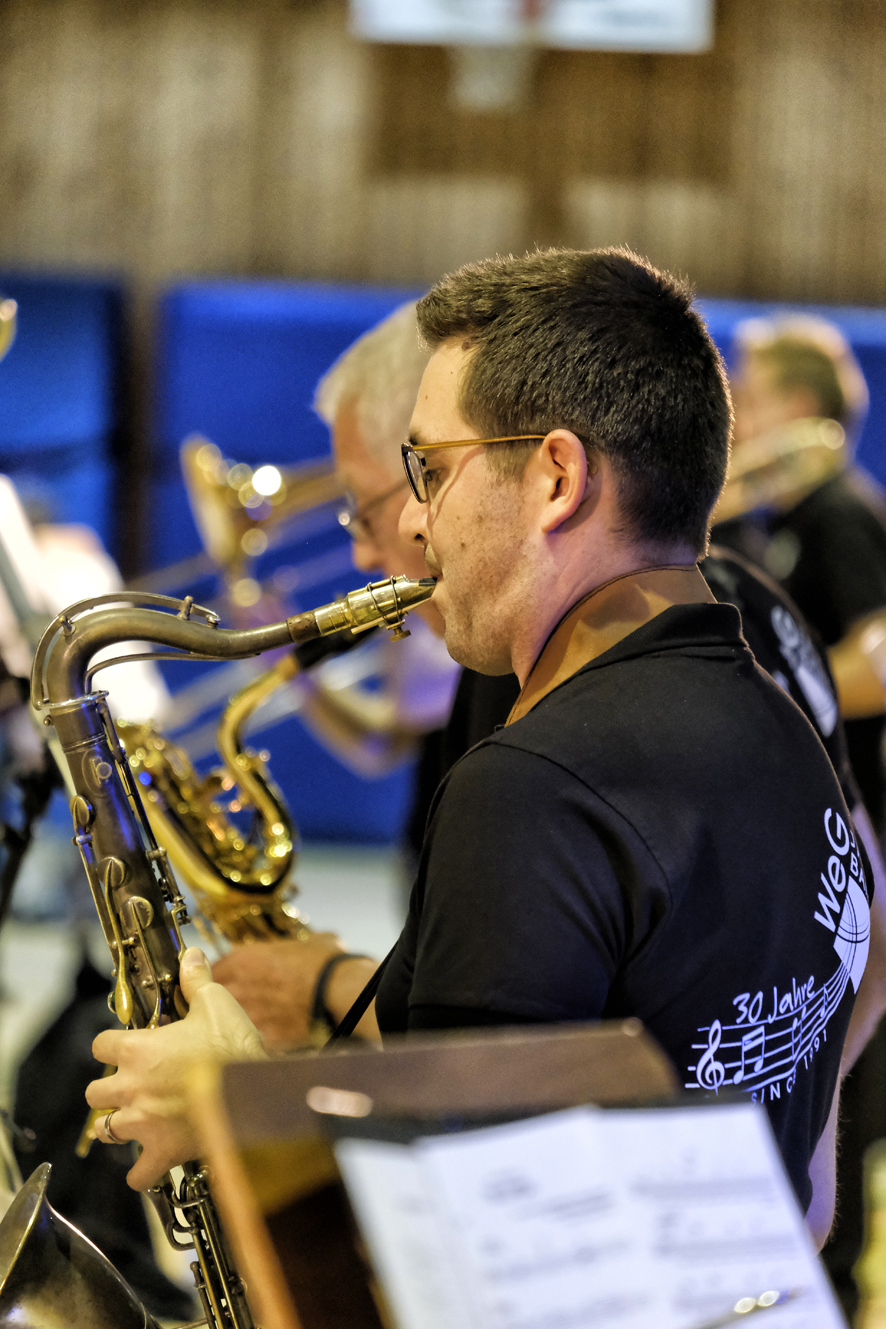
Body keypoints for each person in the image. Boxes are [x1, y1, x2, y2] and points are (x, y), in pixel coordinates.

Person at [87, 249, 879, 1249]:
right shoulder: (785, 731)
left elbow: (470, 1237)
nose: (415, 519)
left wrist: (226, 1095)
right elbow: (801, 1190)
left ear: (556, 478)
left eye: (429, 468)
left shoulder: (531, 787)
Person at [719, 316, 886, 1319]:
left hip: (853, 838)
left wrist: (774, 686)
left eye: (745, 391)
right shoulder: (776, 517)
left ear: (792, 405)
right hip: (810, 836)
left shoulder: (834, 514)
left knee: (837, 1084)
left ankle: (829, 1289)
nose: (733, 412)